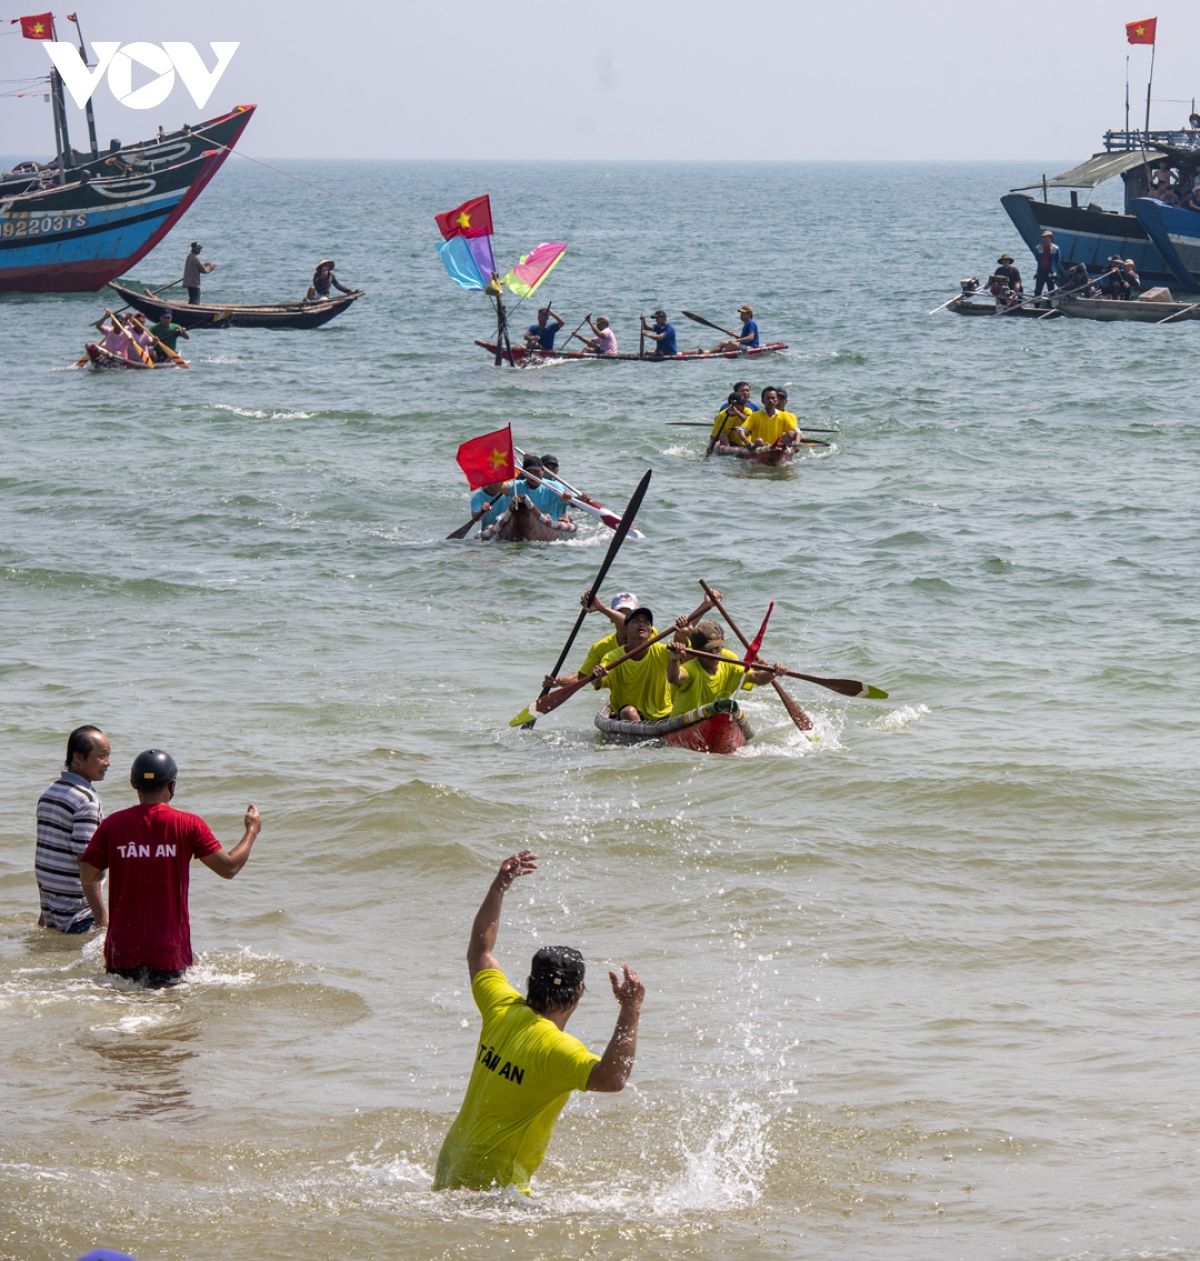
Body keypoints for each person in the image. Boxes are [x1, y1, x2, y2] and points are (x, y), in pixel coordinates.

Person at [433, 850, 643, 1193]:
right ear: (578, 993)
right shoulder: (558, 1051)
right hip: (494, 1183)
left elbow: (479, 951)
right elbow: (613, 1078)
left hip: (451, 1162)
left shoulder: (501, 1007)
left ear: (530, 982)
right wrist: (631, 1009)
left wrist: (500, 886)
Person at [79, 749, 262, 989]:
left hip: (121, 948)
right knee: (169, 1018)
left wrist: (127, 855)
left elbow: (87, 876)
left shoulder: (112, 825)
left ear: (133, 783)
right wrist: (251, 831)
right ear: (172, 784)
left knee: (124, 1017)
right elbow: (229, 868)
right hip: (169, 949)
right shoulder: (189, 824)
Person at [35, 726, 111, 934]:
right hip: (78, 910)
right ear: (78, 757)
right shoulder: (86, 801)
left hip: (50, 906)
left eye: (108, 756)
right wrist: (102, 917)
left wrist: (44, 910)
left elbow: (47, 853)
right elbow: (87, 863)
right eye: (101, 756)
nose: (108, 763)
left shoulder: (50, 792)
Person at [591, 607, 692, 722]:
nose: (641, 624)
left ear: (651, 632)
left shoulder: (662, 651)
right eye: (636, 621)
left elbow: (684, 652)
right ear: (625, 629)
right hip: (628, 714)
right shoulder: (613, 657)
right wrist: (597, 676)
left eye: (646, 622)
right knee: (628, 711)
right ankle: (643, 735)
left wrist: (683, 634)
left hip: (662, 713)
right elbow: (597, 683)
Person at [666, 621, 781, 715]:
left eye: (716, 648)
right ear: (697, 653)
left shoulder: (730, 666)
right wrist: (674, 660)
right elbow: (674, 678)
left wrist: (773, 673)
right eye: (708, 650)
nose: (714, 654)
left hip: (713, 719)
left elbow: (757, 678)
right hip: (684, 722)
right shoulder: (691, 668)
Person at [512, 455, 572, 523]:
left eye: (553, 468)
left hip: (554, 520)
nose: (550, 472)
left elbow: (574, 499)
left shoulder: (557, 485)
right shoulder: (524, 483)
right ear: (543, 470)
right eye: (548, 468)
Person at [1033, 230, 1065, 296]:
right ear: (1042, 238)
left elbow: (1057, 260)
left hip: (1051, 272)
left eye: (1048, 237)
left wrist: (1053, 267)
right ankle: (1036, 305)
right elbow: (1037, 258)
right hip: (1041, 271)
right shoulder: (1038, 248)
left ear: (1051, 239)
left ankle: (1051, 305)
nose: (1046, 239)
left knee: (1051, 290)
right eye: (1044, 237)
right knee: (1038, 290)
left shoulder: (1055, 248)